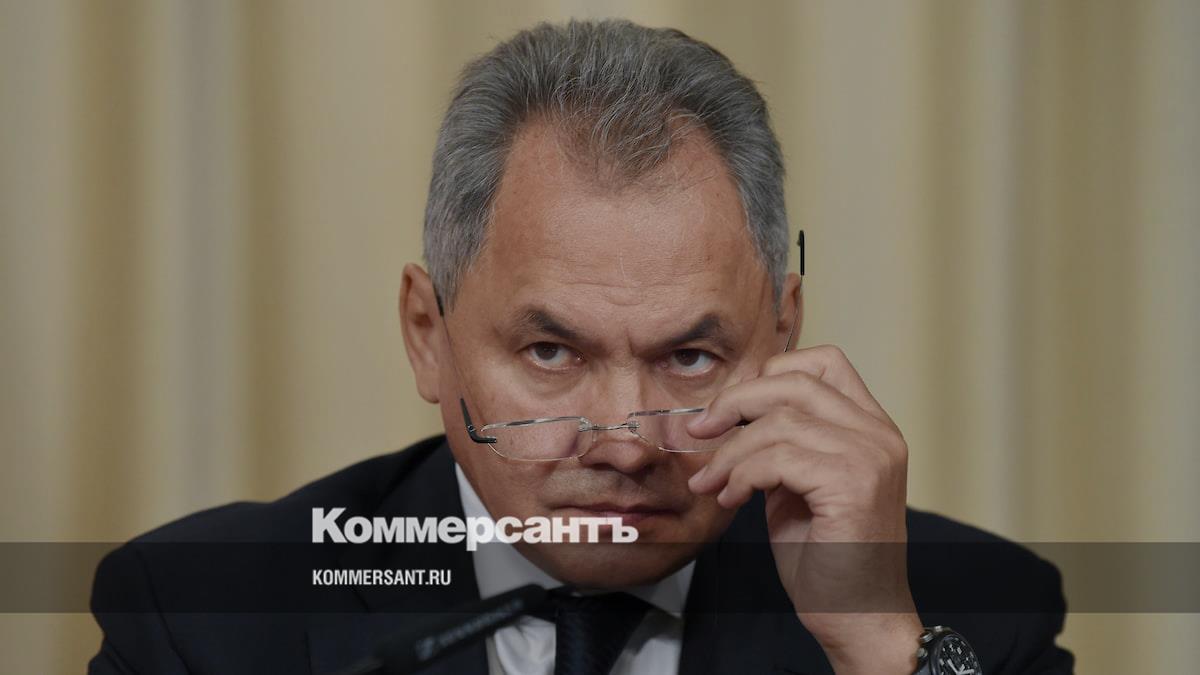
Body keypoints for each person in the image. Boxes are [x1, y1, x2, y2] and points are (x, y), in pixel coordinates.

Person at [88, 19, 1073, 675]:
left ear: (782, 337)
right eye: (552, 353)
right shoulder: (205, 615)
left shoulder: (972, 612)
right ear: (429, 336)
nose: (624, 441)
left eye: (690, 358)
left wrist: (881, 649)